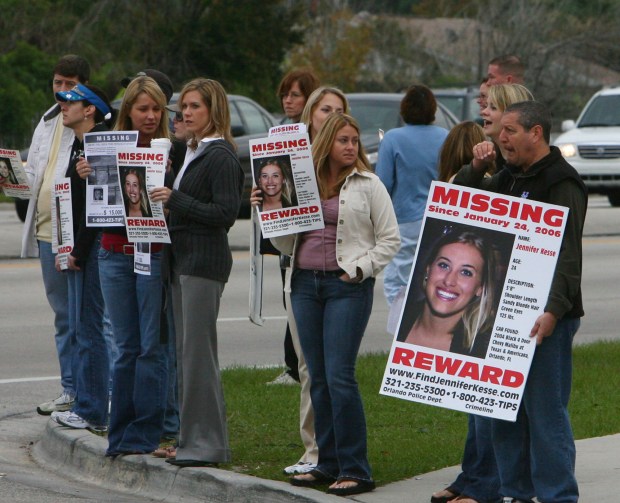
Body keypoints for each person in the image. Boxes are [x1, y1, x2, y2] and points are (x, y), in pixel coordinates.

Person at [454, 101, 587, 503]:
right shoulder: (506, 177)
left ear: (536, 133)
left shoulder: (561, 181)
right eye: (500, 130)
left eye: (510, 130)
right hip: (503, 311)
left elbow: (567, 254)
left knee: (545, 413)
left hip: (547, 316)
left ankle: (558, 495)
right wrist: (476, 169)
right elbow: (458, 202)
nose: (500, 137)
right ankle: (515, 492)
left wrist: (552, 310)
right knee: (501, 407)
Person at [274, 113, 399, 496]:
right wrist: (272, 208)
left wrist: (359, 270)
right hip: (304, 286)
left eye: (354, 140)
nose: (350, 147)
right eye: (342, 140)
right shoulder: (301, 183)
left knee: (340, 375)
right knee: (319, 377)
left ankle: (356, 468)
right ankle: (326, 463)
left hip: (346, 287)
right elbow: (283, 244)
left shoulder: (368, 184)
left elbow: (390, 240)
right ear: (326, 142)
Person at [431, 84, 535, 503]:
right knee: (475, 395)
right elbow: (456, 202)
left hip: (505, 299)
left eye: (492, 107)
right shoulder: (487, 165)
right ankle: (471, 476)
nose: (483, 112)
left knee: (492, 398)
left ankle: (488, 485)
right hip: (481, 295)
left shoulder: (515, 173)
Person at [150, 78, 244, 467]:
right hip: (181, 261)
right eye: (182, 107)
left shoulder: (220, 156)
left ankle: (206, 446)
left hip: (202, 265)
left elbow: (225, 215)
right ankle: (192, 441)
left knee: (198, 357)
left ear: (213, 111)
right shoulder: (190, 150)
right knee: (187, 357)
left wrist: (177, 200)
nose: (184, 113)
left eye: (194, 107)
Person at [92, 75, 170, 456]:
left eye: (157, 109)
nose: (151, 115)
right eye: (143, 109)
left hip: (152, 254)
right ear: (128, 111)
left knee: (149, 348)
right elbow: (96, 203)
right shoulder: (108, 145)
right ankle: (118, 432)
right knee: (125, 348)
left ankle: (147, 432)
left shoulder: (170, 148)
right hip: (113, 253)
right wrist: (86, 174)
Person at [21, 55, 91, 416]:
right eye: (57, 83)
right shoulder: (47, 121)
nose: (62, 91)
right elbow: (34, 174)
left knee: (85, 318)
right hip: (47, 231)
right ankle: (70, 389)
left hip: (73, 232)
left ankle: (90, 393)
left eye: (69, 84)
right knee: (63, 316)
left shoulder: (89, 123)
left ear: (84, 87)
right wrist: (14, 180)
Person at [48, 84, 112, 433]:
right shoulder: (77, 144)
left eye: (71, 102)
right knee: (81, 327)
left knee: (90, 330)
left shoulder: (97, 146)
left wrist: (79, 251)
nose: (63, 106)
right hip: (76, 244)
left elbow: (96, 209)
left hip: (89, 246)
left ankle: (91, 410)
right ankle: (89, 404)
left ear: (90, 110)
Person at [375, 84, 448, 311]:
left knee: (398, 279)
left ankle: (401, 330)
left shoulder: (393, 139)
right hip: (439, 216)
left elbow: (383, 185)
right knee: (435, 276)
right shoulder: (445, 137)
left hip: (404, 219)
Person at [397, 230, 498, 358]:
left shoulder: (486, 349)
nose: (449, 280)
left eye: (466, 272)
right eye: (444, 265)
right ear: (428, 270)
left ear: (480, 288)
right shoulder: (399, 315)